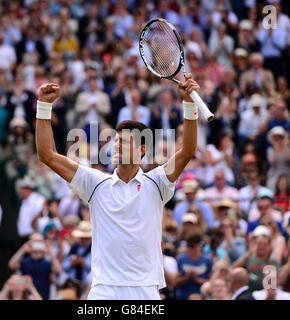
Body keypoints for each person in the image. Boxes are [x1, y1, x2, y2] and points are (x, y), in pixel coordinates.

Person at [35, 74, 200, 300]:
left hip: (145, 290)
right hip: (104, 290)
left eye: (126, 141)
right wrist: (44, 106)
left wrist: (189, 104)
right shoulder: (95, 183)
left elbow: (187, 151)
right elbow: (47, 155)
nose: (118, 145)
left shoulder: (157, 183)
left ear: (142, 149)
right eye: (117, 140)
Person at [8, 233, 60, 300]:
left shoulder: (47, 262)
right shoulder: (25, 261)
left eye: (39, 241)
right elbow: (11, 265)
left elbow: (58, 270)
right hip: (27, 297)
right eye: (34, 241)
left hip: (44, 297)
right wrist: (23, 250)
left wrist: (50, 252)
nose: (37, 244)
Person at [233, 226, 280, 291]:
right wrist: (250, 251)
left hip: (264, 294)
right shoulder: (249, 258)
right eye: (259, 244)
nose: (261, 247)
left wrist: (268, 257)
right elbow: (234, 267)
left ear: (269, 246)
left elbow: (270, 284)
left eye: (264, 244)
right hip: (248, 292)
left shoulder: (272, 261)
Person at [175, 233, 213, 300]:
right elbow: (176, 283)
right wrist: (187, 277)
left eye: (192, 246)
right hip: (183, 296)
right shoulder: (180, 259)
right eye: (188, 246)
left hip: (202, 296)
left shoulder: (208, 259)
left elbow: (211, 282)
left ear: (199, 245)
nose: (190, 249)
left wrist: (197, 279)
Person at [62, 221, 92, 288]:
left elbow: (96, 268)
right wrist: (71, 263)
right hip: (73, 285)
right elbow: (64, 266)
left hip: (87, 285)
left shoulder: (94, 249)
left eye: (86, 237)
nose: (84, 240)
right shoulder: (74, 248)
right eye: (82, 237)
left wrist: (84, 263)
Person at [16, 177, 46, 241]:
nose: (20, 191)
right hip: (24, 237)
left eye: (22, 189)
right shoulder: (24, 202)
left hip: (35, 235)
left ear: (29, 189)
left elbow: (42, 215)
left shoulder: (38, 199)